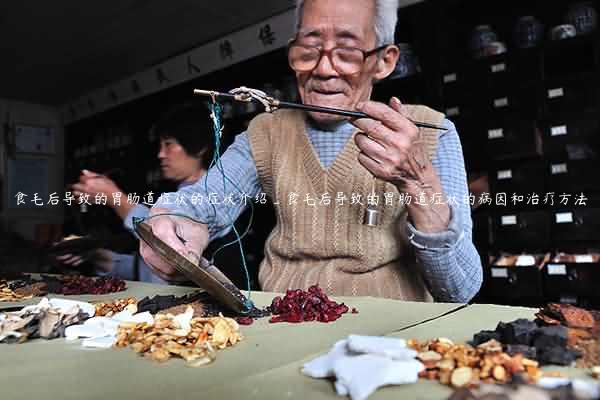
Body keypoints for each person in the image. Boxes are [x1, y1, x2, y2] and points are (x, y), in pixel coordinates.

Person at [140, 0, 483, 302]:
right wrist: (175, 220)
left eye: (347, 52)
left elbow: (460, 288)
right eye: (309, 49)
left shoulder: (430, 131)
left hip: (389, 339)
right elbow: (208, 201)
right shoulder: (266, 131)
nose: (323, 69)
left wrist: (417, 183)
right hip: (285, 326)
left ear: (384, 61)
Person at [57, 103, 214, 283]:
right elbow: (154, 270)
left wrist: (113, 196)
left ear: (200, 147)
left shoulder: (213, 198)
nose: (161, 154)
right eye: (160, 145)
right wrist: (98, 257)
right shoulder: (173, 197)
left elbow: (166, 243)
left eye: (169, 144)